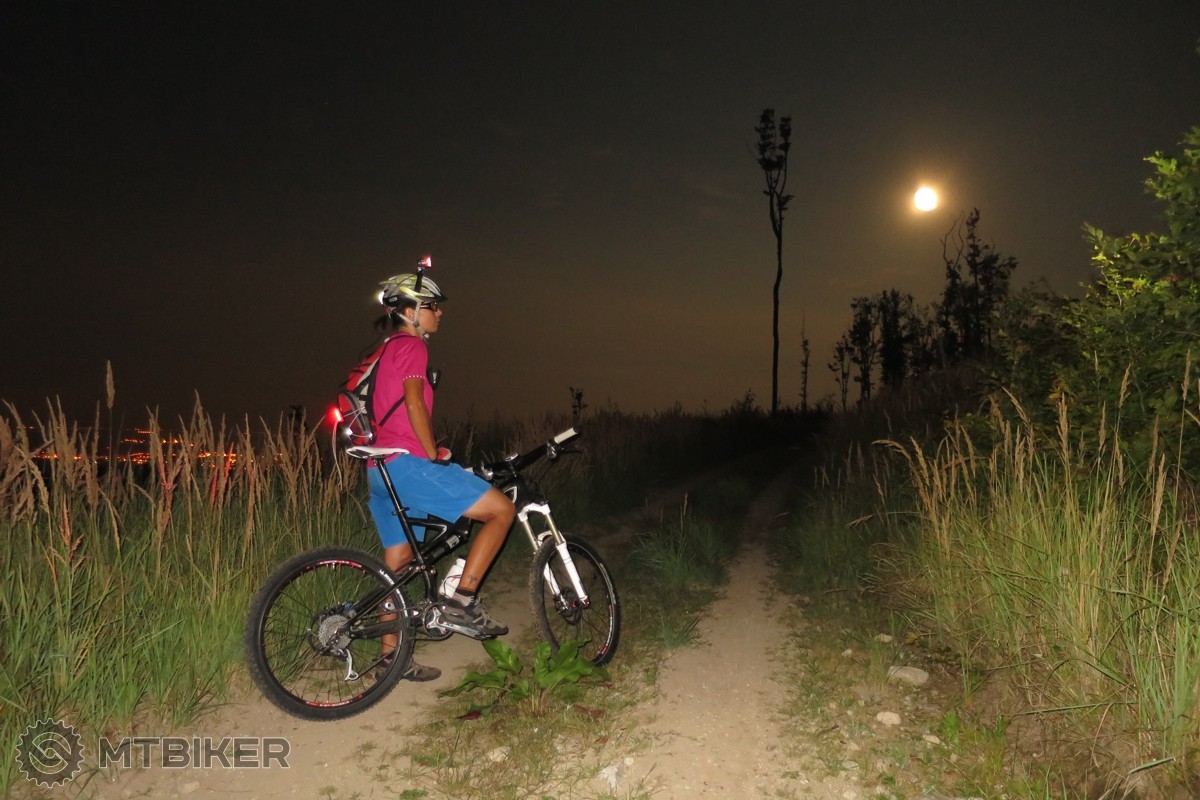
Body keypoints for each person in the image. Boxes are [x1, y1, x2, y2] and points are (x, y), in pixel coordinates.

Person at [366, 269, 516, 681]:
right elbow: (414, 404)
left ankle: (389, 660)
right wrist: (433, 454)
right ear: (410, 312)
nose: (439, 313)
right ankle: (463, 600)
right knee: (500, 511)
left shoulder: (384, 351)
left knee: (396, 569)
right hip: (407, 466)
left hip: (379, 470)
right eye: (432, 306)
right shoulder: (412, 346)